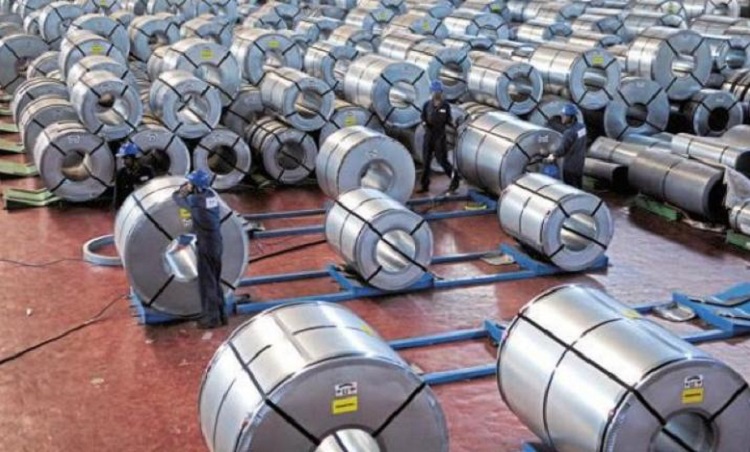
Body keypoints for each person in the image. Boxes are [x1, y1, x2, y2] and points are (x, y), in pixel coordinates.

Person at [172, 169, 226, 329]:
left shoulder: (195, 201)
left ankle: (211, 319)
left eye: (190, 183)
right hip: (217, 242)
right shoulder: (211, 195)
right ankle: (222, 315)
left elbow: (177, 198)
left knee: (207, 282)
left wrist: (182, 191)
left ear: (196, 187)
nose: (188, 185)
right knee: (215, 279)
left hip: (206, 245)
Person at [418, 80, 460, 194]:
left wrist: (455, 126)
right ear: (431, 92)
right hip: (428, 136)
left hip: (439, 137)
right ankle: (424, 185)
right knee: (426, 161)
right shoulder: (427, 105)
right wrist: (425, 124)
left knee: (442, 160)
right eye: (434, 91)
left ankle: (455, 181)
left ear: (441, 92)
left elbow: (448, 120)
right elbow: (422, 117)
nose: (436, 93)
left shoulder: (445, 106)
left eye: (438, 91)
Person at [548, 103, 587, 189]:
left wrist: (553, 155)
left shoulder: (569, 133)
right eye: (562, 115)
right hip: (580, 163)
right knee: (578, 186)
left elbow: (562, 149)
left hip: (569, 167)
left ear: (571, 117)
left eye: (565, 115)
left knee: (569, 188)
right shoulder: (582, 127)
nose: (562, 117)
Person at [113, 143, 155, 209]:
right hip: (128, 209)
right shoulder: (121, 173)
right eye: (122, 158)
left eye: (126, 158)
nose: (123, 161)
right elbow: (117, 197)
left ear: (134, 158)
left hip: (145, 207)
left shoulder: (147, 171)